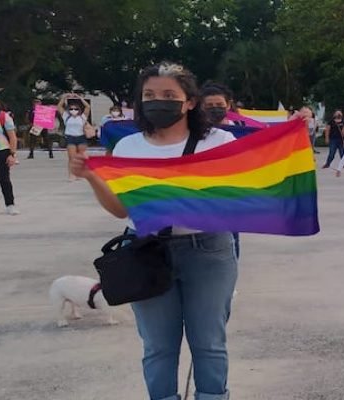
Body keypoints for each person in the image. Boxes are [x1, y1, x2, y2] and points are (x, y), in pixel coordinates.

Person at [69, 62, 239, 400]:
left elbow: (240, 196)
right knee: (158, 346)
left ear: (190, 101)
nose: (157, 101)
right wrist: (91, 177)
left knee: (209, 342)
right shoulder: (130, 147)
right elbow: (121, 209)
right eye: (149, 95)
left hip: (208, 252)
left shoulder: (220, 141)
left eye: (168, 95)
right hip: (146, 252)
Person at [57, 93, 91, 181]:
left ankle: (79, 174)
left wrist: (80, 98)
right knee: (71, 157)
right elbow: (59, 107)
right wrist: (64, 97)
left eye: (76, 109)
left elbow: (87, 107)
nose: (73, 110)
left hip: (81, 137)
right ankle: (71, 174)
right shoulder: (66, 116)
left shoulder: (82, 117)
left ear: (79, 110)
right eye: (71, 109)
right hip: (70, 137)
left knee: (80, 158)